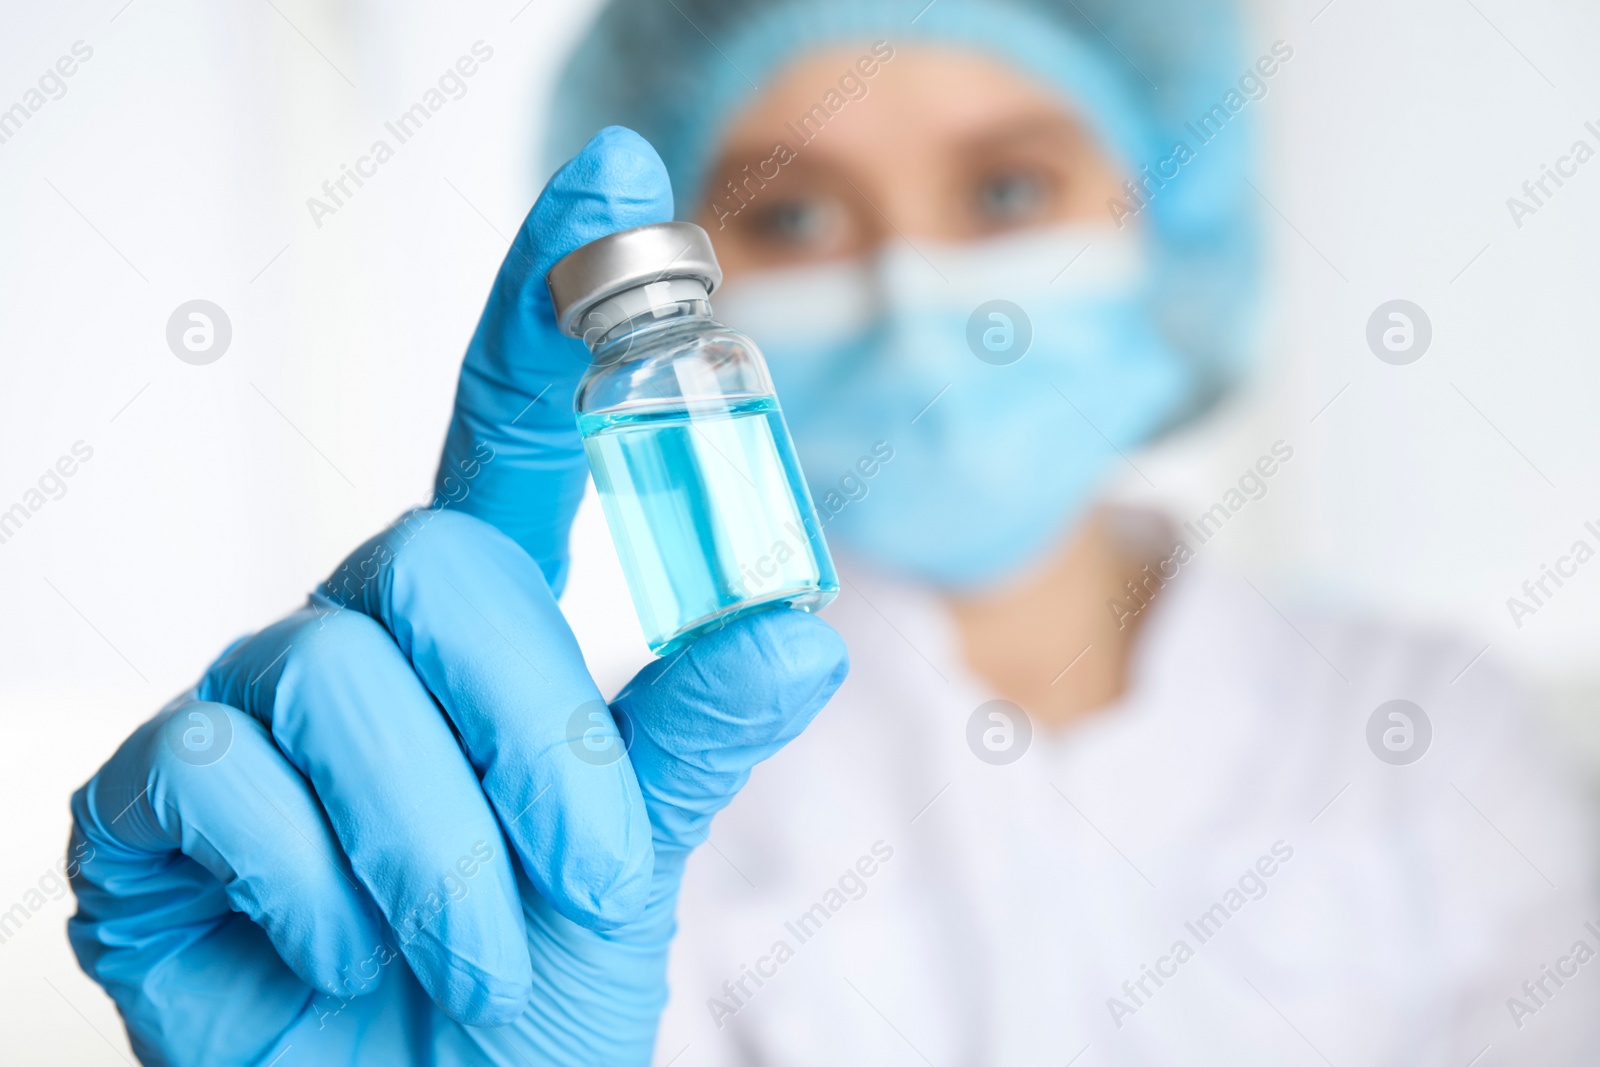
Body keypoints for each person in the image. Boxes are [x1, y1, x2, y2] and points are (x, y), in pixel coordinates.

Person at [67, 1, 1599, 1064]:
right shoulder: (581, 809)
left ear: (1170, 210)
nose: (914, 293)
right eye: (794, 217)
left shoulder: (1425, 728)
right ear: (702, 272)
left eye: (1007, 186)